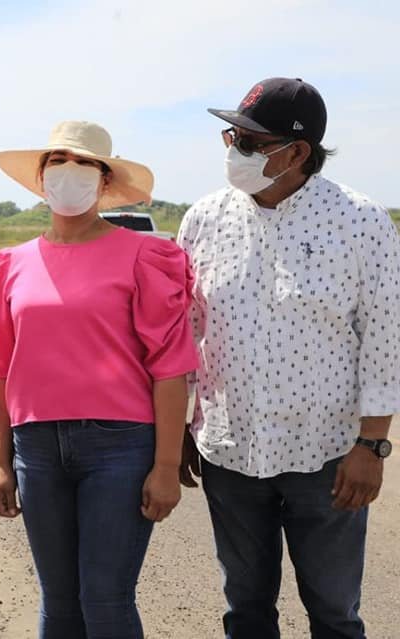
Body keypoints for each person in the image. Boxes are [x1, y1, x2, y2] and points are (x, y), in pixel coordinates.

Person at [178, 77, 398, 639]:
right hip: (230, 450)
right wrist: (177, 427)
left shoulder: (361, 220)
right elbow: (187, 330)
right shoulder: (204, 219)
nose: (234, 151)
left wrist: (371, 445)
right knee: (245, 610)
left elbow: (384, 337)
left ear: (297, 152)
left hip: (326, 455)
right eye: (232, 137)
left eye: (251, 142)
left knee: (333, 612)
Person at [0, 120, 197, 638]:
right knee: (58, 605)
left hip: (120, 449)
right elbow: (0, 368)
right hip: (36, 447)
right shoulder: (12, 264)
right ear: (41, 178)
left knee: (104, 601)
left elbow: (170, 369)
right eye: (58, 162)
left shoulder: (146, 256)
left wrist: (166, 465)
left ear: (104, 181)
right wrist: (0, 461)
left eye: (85, 165)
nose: (69, 174)